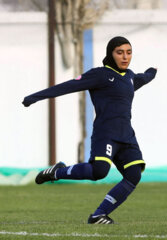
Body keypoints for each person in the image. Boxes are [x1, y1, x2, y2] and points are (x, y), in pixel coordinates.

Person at [22, 36, 157, 224]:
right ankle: (56, 172)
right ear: (111, 54)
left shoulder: (130, 77)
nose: (125, 57)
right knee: (99, 171)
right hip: (106, 134)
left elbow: (141, 79)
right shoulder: (100, 75)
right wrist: (35, 97)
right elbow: (69, 86)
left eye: (129, 52)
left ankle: (98, 215)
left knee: (134, 175)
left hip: (127, 137)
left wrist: (152, 72)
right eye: (120, 52)